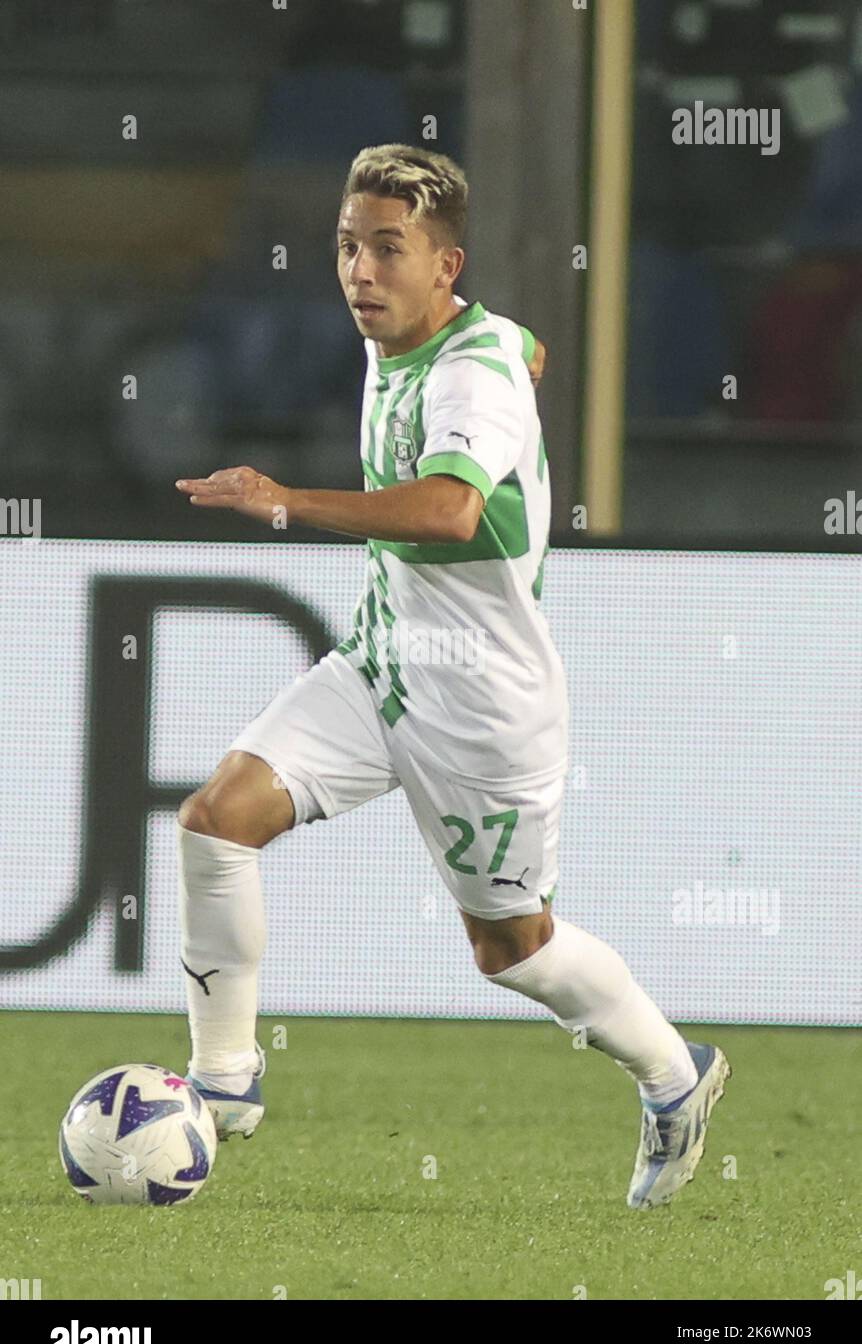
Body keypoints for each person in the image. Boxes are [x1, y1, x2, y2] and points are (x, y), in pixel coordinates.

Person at [175, 144, 729, 1209]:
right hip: (382, 665)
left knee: (512, 950)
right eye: (347, 247)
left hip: (483, 709)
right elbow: (526, 347)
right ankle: (224, 1084)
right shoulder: (441, 340)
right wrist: (522, 350)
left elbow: (448, 510)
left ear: (446, 265)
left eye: (388, 251)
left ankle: (675, 1074)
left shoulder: (466, 371)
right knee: (216, 818)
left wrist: (284, 498)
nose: (359, 272)